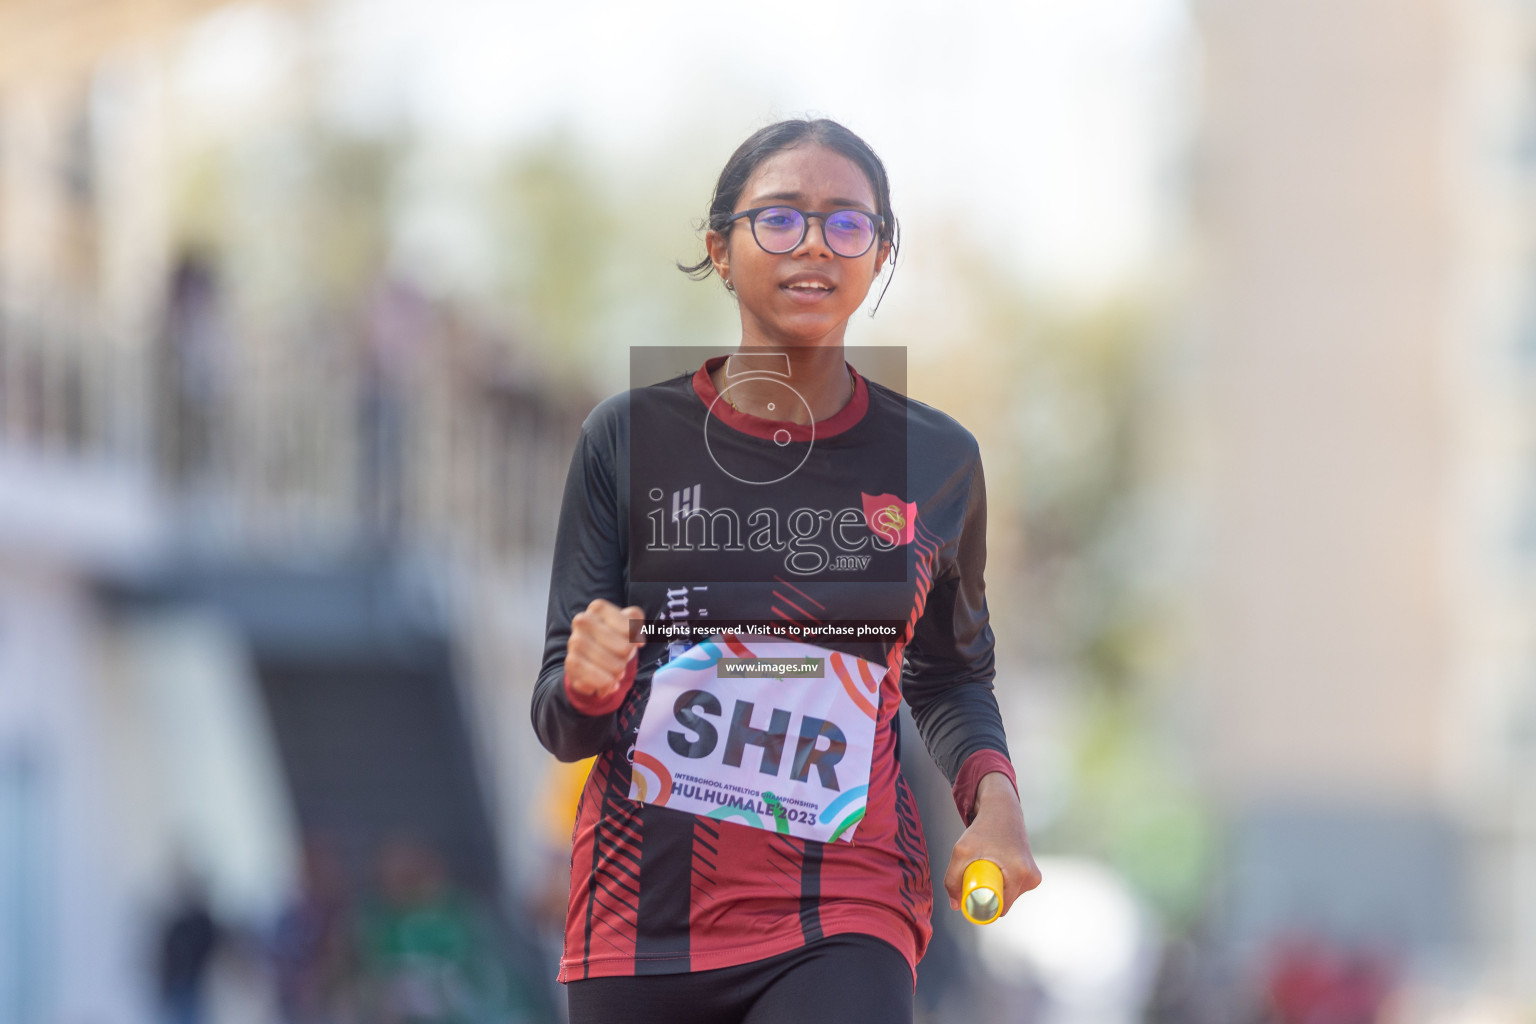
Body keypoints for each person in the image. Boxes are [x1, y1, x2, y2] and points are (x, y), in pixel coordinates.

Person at [531, 118, 1042, 1024]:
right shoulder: (627, 439)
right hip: (640, 926)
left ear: (880, 256)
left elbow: (951, 674)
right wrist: (588, 681)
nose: (815, 243)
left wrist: (993, 803)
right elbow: (562, 723)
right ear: (719, 251)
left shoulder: (937, 462)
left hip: (846, 912)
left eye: (849, 224)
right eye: (779, 219)